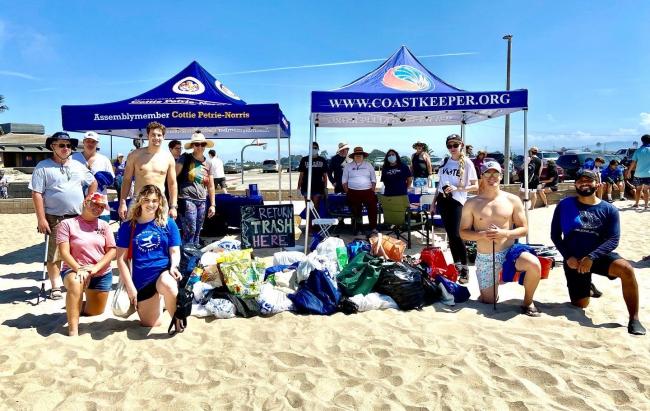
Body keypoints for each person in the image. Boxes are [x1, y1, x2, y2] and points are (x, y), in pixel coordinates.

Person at [551, 169, 645, 335]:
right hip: (575, 259)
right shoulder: (564, 205)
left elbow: (613, 240)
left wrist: (592, 257)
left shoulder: (609, 210)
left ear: (598, 184)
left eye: (589, 180)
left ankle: (634, 318)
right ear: (575, 184)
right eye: (580, 180)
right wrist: (568, 257)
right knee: (580, 304)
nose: (584, 183)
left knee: (627, 269)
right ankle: (588, 286)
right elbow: (555, 235)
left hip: (598, 256)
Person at [460, 161, 542, 316]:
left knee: (534, 264)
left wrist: (505, 233)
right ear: (482, 176)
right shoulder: (471, 203)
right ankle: (489, 291)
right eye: (488, 173)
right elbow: (463, 232)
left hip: (509, 252)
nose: (492, 177)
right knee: (489, 301)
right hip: (485, 257)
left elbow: (524, 229)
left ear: (501, 175)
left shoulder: (512, 200)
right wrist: (482, 235)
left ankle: (528, 302)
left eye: (496, 173)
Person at [29, 132, 97, 300]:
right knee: (55, 254)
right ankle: (55, 286)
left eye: (68, 145)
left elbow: (93, 182)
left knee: (79, 251)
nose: (66, 148)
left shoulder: (78, 166)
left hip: (77, 217)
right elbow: (36, 193)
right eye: (61, 145)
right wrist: (41, 218)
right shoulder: (42, 167)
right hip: (54, 217)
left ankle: (77, 282)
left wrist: (89, 198)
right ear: (53, 146)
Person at [115, 185, 183, 330]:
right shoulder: (128, 226)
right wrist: (130, 288)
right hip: (142, 280)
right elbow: (121, 260)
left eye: (154, 201)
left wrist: (173, 266)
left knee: (169, 286)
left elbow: (174, 250)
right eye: (146, 200)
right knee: (152, 323)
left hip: (162, 273)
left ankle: (177, 323)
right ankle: (159, 299)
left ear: (160, 203)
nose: (151, 204)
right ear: (139, 200)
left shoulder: (168, 223)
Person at [56, 193, 116, 336]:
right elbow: (63, 253)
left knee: (96, 311)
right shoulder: (67, 224)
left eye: (102, 206)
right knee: (77, 282)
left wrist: (95, 268)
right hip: (74, 269)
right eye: (95, 204)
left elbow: (112, 251)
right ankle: (73, 330)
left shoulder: (104, 225)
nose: (98, 208)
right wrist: (79, 269)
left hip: (100, 272)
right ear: (85, 202)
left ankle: (74, 304)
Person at [434, 134, 479, 284]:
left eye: (455, 145)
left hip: (456, 201)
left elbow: (476, 186)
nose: (452, 148)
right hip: (442, 200)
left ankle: (465, 268)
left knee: (457, 235)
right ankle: (457, 266)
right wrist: (434, 202)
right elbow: (440, 183)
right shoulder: (445, 161)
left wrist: (457, 187)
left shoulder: (467, 163)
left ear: (461, 145)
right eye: (449, 145)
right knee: (450, 236)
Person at [118, 122, 178, 220]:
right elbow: (127, 180)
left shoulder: (168, 157)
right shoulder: (135, 155)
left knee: (160, 231)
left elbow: (172, 183)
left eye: (159, 135)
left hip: (159, 200)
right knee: (133, 231)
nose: (156, 137)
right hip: (138, 199)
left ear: (164, 137)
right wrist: (122, 202)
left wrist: (173, 206)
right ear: (148, 136)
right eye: (153, 135)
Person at [176, 133, 216, 246]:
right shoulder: (185, 158)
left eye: (202, 144)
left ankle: (193, 258)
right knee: (190, 230)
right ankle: (186, 259)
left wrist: (213, 205)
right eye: (197, 144)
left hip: (202, 200)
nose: (200, 147)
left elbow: (211, 186)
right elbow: (172, 177)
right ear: (193, 146)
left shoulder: (208, 163)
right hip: (186, 199)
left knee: (198, 231)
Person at [72, 131, 114, 221]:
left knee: (101, 233)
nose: (90, 144)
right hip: (79, 206)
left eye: (93, 141)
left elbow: (111, 181)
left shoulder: (104, 160)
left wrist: (104, 180)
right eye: (87, 141)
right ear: (83, 142)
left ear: (97, 143)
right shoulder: (73, 158)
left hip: (100, 206)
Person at [343, 146, 377, 234]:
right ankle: (359, 228)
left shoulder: (369, 165)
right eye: (356, 154)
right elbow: (344, 181)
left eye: (360, 154)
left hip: (368, 191)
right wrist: (348, 192)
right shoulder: (348, 166)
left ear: (363, 156)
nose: (358, 156)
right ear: (353, 156)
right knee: (356, 210)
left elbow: (373, 179)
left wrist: (372, 190)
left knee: (372, 208)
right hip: (353, 192)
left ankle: (373, 228)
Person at [298, 141, 329, 230]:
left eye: (315, 148)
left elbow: (325, 176)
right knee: (308, 207)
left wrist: (325, 187)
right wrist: (298, 187)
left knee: (316, 207)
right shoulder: (304, 160)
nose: (314, 149)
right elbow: (301, 175)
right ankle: (309, 227)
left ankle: (316, 225)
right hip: (306, 187)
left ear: (318, 149)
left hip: (318, 187)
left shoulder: (322, 160)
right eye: (312, 148)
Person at [626, 134, 650, 209]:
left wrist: (629, 171)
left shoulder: (638, 151)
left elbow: (633, 162)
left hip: (638, 174)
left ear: (642, 141)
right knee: (646, 190)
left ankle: (636, 204)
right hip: (649, 174)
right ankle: (646, 205)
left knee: (638, 190)